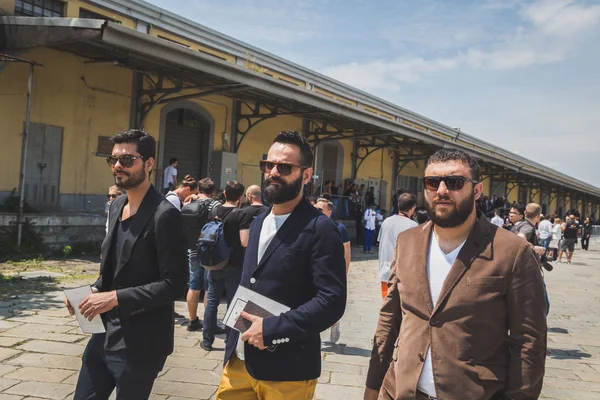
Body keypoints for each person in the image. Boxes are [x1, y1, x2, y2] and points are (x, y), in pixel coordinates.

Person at [364, 148, 547, 400]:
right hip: (399, 391)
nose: (441, 190)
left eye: (454, 182)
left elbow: (529, 343)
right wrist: (373, 385)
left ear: (477, 190)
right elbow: (390, 318)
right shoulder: (407, 241)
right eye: (432, 182)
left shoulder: (512, 252)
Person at [216, 131, 346, 400]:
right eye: (269, 165)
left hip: (287, 370)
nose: (273, 172)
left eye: (284, 167)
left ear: (306, 175)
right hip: (239, 360)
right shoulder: (258, 221)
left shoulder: (321, 229)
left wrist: (272, 329)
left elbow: (332, 301)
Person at [67, 129, 187, 399]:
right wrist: (93, 292)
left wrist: (115, 298)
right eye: (114, 160)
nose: (118, 166)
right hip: (104, 333)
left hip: (141, 342)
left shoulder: (165, 215)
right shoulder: (116, 204)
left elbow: (175, 285)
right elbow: (112, 271)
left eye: (127, 159)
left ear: (149, 163)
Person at [201, 180, 246, 351]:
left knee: (212, 301)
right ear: (240, 197)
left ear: (225, 194)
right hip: (234, 263)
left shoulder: (214, 210)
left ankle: (207, 340)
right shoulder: (240, 214)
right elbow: (244, 241)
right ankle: (230, 340)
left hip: (215, 262)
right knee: (233, 303)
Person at [183, 178, 221, 332]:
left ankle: (192, 321)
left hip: (192, 249)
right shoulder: (216, 205)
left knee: (193, 286)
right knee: (208, 287)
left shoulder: (189, 203)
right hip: (209, 250)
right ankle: (208, 323)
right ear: (212, 190)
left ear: (198, 188)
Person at [315, 197, 351, 344]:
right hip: (316, 272)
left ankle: (334, 323)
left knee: (330, 304)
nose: (316, 211)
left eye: (320, 209)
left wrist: (344, 273)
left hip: (333, 272)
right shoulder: (312, 225)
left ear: (329, 212)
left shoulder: (339, 228)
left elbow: (346, 252)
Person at [377, 193, 417, 298]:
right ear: (413, 208)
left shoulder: (386, 221)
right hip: (403, 276)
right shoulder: (412, 225)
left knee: (386, 305)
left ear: (398, 205)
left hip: (385, 273)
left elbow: (380, 242)